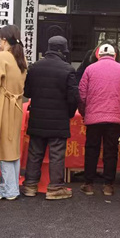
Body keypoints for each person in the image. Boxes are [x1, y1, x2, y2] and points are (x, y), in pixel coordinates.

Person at [23, 36, 78, 200]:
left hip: (37, 117)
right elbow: (73, 98)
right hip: (59, 119)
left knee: (35, 153)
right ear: (62, 51)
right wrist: (69, 114)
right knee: (56, 154)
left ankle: (30, 186)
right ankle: (55, 188)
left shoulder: (34, 67)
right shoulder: (68, 69)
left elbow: (27, 92)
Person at [78, 43, 120, 196]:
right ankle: (108, 185)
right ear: (115, 55)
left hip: (93, 118)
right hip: (115, 118)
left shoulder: (90, 69)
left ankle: (89, 184)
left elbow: (81, 95)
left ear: (98, 55)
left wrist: (84, 113)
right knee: (111, 150)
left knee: (92, 149)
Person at [0, 25, 28, 201]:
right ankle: (11, 185)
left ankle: (9, 189)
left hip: (2, 106)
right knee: (12, 147)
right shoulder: (20, 58)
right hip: (16, 106)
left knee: (3, 146)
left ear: (3, 39)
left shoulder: (1, 57)